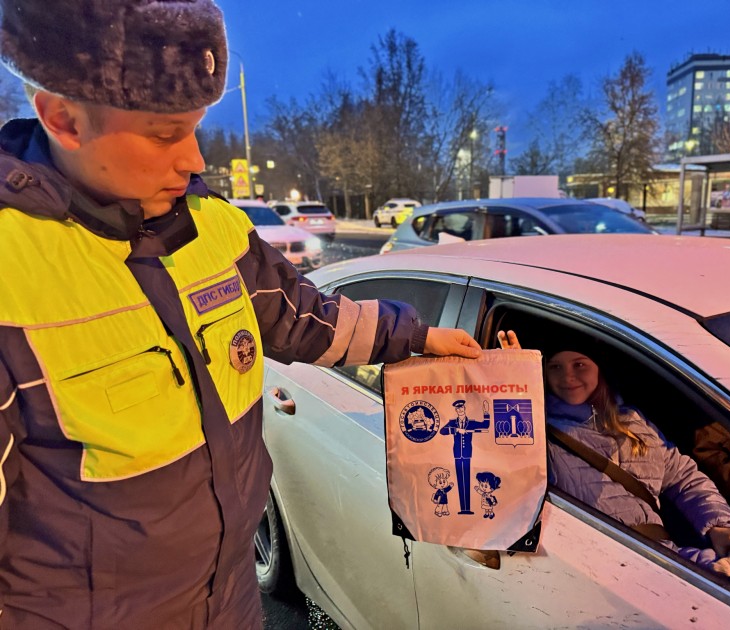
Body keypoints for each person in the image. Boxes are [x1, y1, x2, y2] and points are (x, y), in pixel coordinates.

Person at [0, 2, 480, 627]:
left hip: (229, 600)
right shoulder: (14, 269)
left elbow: (300, 317)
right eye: (165, 133)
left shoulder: (213, 227)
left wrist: (414, 336)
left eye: (196, 128)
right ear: (63, 117)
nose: (195, 159)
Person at [497, 330, 730, 574]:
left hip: (661, 556)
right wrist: (519, 390)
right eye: (555, 366)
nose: (567, 377)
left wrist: (720, 527)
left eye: (579, 364)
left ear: (599, 368)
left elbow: (684, 478)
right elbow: (512, 457)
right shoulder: (540, 429)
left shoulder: (633, 421)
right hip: (598, 567)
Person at [439, 399, 490, 514]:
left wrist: (486, 412)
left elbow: (485, 425)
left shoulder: (471, 423)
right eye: (458, 408)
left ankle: (467, 508)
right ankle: (462, 508)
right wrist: (456, 430)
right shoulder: (453, 422)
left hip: (467, 454)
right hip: (457, 454)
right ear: (456, 410)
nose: (460, 410)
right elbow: (442, 431)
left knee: (466, 480)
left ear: (464, 409)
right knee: (459, 480)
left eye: (461, 408)